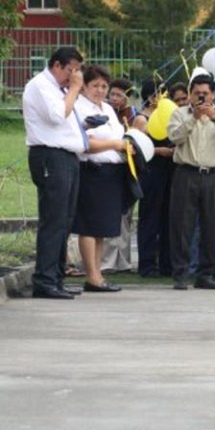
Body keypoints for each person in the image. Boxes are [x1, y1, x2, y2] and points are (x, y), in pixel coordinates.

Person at [23, 46, 86, 300]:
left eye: (78, 71)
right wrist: (74, 89)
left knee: (65, 220)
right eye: (71, 70)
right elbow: (57, 116)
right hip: (50, 156)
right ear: (57, 66)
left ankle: (57, 277)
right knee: (54, 219)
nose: (74, 77)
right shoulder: (41, 85)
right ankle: (45, 280)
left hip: (67, 156)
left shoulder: (59, 89)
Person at [167, 73, 215, 290]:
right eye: (197, 93)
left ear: (212, 95)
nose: (201, 97)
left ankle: (206, 274)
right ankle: (181, 274)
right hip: (186, 173)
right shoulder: (179, 114)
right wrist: (193, 118)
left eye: (205, 93)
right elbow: (174, 137)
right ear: (190, 94)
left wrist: (214, 118)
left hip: (212, 176)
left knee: (210, 226)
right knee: (182, 225)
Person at [72, 64, 130, 292]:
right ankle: (92, 276)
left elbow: (119, 136)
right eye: (95, 85)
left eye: (104, 86)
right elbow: (84, 143)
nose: (100, 90)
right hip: (91, 170)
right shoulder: (79, 107)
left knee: (102, 228)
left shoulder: (107, 108)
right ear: (84, 86)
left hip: (111, 172)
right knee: (89, 226)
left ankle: (97, 274)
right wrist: (115, 144)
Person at [134, 80, 175, 278]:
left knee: (168, 217)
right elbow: (137, 147)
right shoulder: (142, 119)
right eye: (161, 94)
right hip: (152, 171)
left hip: (170, 170)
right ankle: (147, 263)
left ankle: (167, 263)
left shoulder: (169, 117)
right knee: (150, 217)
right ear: (151, 98)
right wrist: (160, 150)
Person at [101, 77, 138, 274]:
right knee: (109, 214)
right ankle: (107, 261)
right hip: (109, 168)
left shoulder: (133, 116)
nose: (114, 98)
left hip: (128, 170)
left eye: (119, 95)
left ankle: (123, 261)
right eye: (112, 94)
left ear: (128, 97)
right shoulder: (106, 113)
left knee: (125, 215)